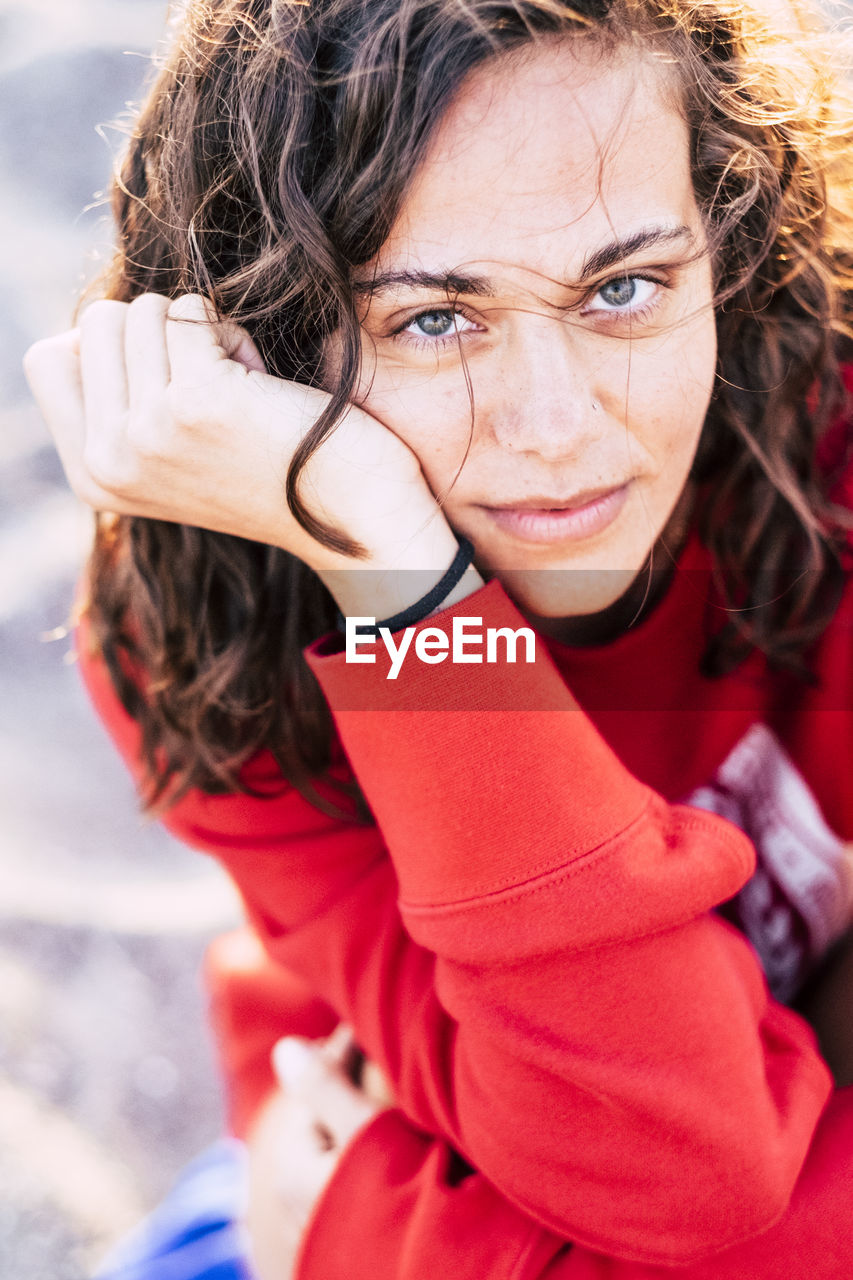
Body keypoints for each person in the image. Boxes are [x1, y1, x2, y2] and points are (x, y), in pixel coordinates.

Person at [22, 0, 853, 1276]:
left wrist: (378, 1238)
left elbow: (695, 1186)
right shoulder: (202, 624)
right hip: (391, 1121)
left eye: (624, 287)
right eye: (431, 319)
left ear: (729, 249)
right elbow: (684, 1168)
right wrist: (402, 585)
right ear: (273, 342)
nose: (556, 424)